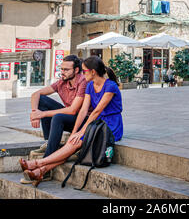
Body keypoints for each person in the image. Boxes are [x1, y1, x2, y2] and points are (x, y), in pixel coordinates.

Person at [19, 56, 123, 187]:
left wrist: (82, 131)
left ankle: (38, 164)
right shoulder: (90, 85)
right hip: (95, 123)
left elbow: (96, 112)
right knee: (73, 141)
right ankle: (41, 171)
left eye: (84, 71)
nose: (82, 74)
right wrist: (74, 132)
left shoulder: (110, 86)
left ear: (93, 72)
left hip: (109, 125)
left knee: (76, 142)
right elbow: (84, 110)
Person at [29, 55, 89, 159]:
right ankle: (50, 143)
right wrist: (35, 113)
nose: (62, 72)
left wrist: (42, 114)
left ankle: (48, 157)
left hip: (84, 121)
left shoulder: (83, 81)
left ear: (76, 70)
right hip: (72, 119)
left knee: (58, 117)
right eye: (61, 69)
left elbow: (73, 110)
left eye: (66, 69)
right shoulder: (62, 81)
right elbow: (36, 94)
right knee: (42, 100)